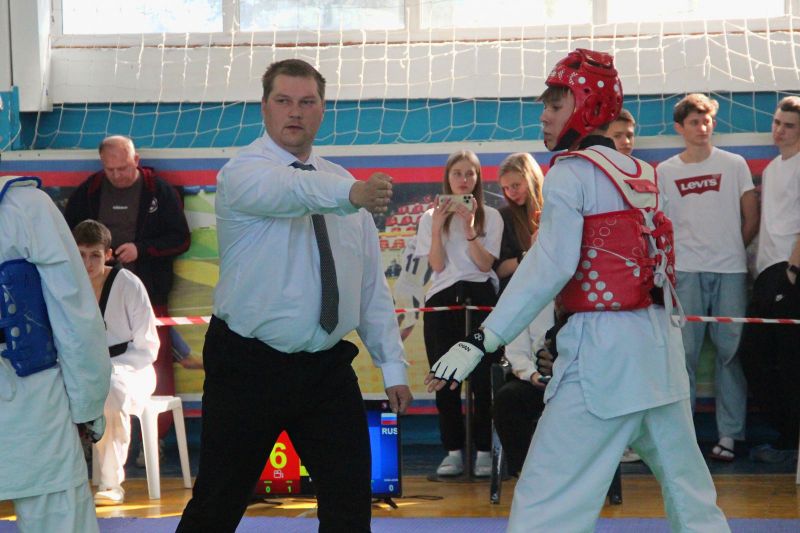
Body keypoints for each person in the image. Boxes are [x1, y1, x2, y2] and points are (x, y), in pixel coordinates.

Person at [427, 48, 729, 532]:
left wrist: (482, 340)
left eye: (555, 105)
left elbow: (549, 266)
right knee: (692, 497)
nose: (544, 116)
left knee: (546, 501)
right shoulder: (644, 174)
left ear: (587, 106)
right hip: (660, 355)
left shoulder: (570, 173)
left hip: (601, 361)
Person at [176, 59, 413, 533]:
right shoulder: (243, 174)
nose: (295, 112)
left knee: (350, 506)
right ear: (264, 107)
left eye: (307, 102)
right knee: (217, 505)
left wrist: (393, 366)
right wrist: (353, 192)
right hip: (247, 365)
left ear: (322, 110)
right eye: (283, 101)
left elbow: (369, 288)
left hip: (326, 369)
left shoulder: (342, 185)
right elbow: (294, 191)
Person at [63, 135, 191, 451]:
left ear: (136, 161)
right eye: (111, 170)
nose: (117, 175)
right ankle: (89, 440)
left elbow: (180, 238)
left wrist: (141, 249)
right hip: (95, 291)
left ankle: (155, 441)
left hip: (146, 287)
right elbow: (66, 238)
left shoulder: (158, 191)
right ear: (102, 165)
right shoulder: (89, 191)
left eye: (123, 168)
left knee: (157, 363)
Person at [0, 176, 111, 532]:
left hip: (27, 389)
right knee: (57, 512)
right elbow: (75, 315)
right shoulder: (26, 207)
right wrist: (87, 406)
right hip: (30, 397)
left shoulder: (25, 206)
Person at [657, 93, 758, 462]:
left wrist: (730, 250)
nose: (702, 127)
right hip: (685, 272)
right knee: (684, 354)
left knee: (730, 354)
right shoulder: (665, 171)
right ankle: (682, 436)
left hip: (730, 271)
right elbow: (661, 225)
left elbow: (751, 217)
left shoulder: (734, 164)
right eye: (694, 122)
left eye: (707, 120)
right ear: (680, 127)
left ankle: (730, 435)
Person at [415, 150, 504, 477]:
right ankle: (453, 450)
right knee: (444, 377)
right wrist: (438, 226)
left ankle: (483, 450)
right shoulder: (429, 217)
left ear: (478, 178)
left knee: (482, 380)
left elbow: (484, 264)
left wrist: (469, 227)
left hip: (480, 296)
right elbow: (437, 265)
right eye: (457, 174)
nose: (464, 180)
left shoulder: (491, 216)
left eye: (470, 174)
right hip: (442, 299)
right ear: (447, 178)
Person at [72, 219, 160, 505]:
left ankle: (111, 483)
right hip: (84, 369)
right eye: (81, 255)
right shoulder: (67, 288)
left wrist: (111, 369)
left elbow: (148, 345)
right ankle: (58, 485)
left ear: (108, 254)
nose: (88, 263)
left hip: (133, 369)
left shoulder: (128, 284)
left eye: (95, 255)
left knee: (110, 390)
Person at [738, 96, 800, 463]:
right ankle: (787, 434)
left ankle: (790, 442)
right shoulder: (775, 168)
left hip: (789, 271)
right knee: (753, 355)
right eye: (777, 122)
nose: (780, 130)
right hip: (766, 273)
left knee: (789, 360)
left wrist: (793, 271)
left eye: (789, 125)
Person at [491, 301, 553, 477]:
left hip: (578, 381)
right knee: (508, 399)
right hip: (535, 379)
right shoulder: (531, 302)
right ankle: (525, 472)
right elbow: (516, 353)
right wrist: (532, 375)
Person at [494, 152, 544, 293]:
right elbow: (498, 270)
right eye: (506, 188)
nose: (511, 193)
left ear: (532, 179)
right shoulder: (503, 216)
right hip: (518, 293)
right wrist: (527, 255)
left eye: (516, 185)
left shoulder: (554, 209)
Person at [393, 235, 432, 341]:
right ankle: (395, 347)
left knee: (399, 315)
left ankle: (389, 343)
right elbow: (428, 274)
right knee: (410, 324)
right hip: (413, 290)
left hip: (400, 283)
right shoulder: (430, 245)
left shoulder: (411, 241)